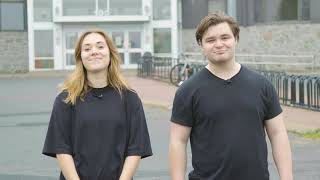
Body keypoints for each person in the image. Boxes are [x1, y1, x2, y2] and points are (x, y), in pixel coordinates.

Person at [169, 13, 292, 180]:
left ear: (236, 39)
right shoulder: (188, 91)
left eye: (225, 37)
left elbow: (278, 133)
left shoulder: (262, 85)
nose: (219, 44)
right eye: (210, 40)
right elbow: (178, 141)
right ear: (201, 44)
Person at [42, 29, 152, 180]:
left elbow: (135, 149)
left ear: (110, 53)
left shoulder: (130, 99)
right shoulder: (66, 99)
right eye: (87, 48)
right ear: (80, 57)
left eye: (100, 46)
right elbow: (62, 149)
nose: (94, 52)